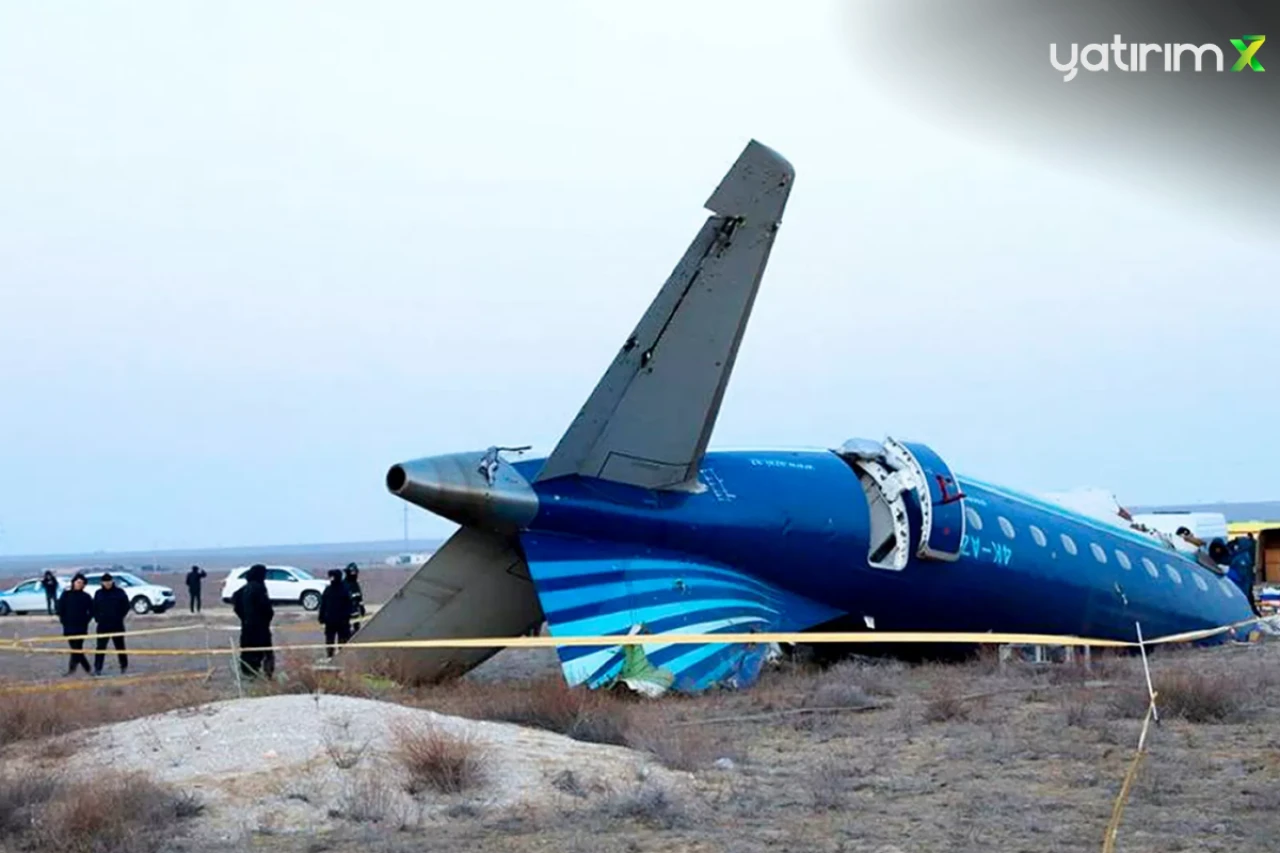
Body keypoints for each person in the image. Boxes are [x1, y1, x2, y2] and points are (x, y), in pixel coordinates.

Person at [232, 563, 275, 678]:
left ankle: (249, 674)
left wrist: (244, 618)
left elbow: (236, 603)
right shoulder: (259, 588)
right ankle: (266, 676)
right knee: (266, 653)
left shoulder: (243, 590)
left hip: (247, 628)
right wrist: (266, 618)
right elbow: (266, 608)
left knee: (248, 652)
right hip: (260, 628)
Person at [92, 572, 131, 676]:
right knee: (100, 648)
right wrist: (97, 618)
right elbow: (94, 607)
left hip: (117, 624)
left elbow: (126, 606)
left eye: (109, 581)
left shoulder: (119, 592)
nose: (107, 583)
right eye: (105, 581)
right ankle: (97, 668)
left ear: (112, 581)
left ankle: (124, 666)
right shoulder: (98, 593)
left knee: (120, 647)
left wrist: (119, 616)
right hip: (102, 625)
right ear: (102, 582)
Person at [56, 572, 94, 675]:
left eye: (82, 583)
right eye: (78, 582)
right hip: (68, 627)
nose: (79, 584)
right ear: (73, 582)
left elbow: (92, 611)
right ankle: (85, 669)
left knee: (76, 648)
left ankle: (76, 670)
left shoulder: (86, 596)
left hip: (81, 627)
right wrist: (63, 620)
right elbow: (59, 609)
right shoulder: (66, 595)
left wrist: (86, 620)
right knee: (76, 649)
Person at [318, 569, 353, 658]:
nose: (331, 579)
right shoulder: (328, 590)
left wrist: (347, 617)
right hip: (330, 621)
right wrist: (321, 617)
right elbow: (323, 604)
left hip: (342, 621)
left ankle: (342, 656)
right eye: (330, 576)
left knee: (343, 640)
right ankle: (330, 655)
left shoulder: (344, 589)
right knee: (330, 640)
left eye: (333, 576)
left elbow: (349, 605)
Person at [343, 563, 365, 632]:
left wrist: (362, 607)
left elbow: (359, 596)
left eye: (355, 572)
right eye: (352, 572)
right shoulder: (344, 584)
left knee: (356, 629)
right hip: (346, 612)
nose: (354, 574)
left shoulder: (355, 584)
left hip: (355, 611)